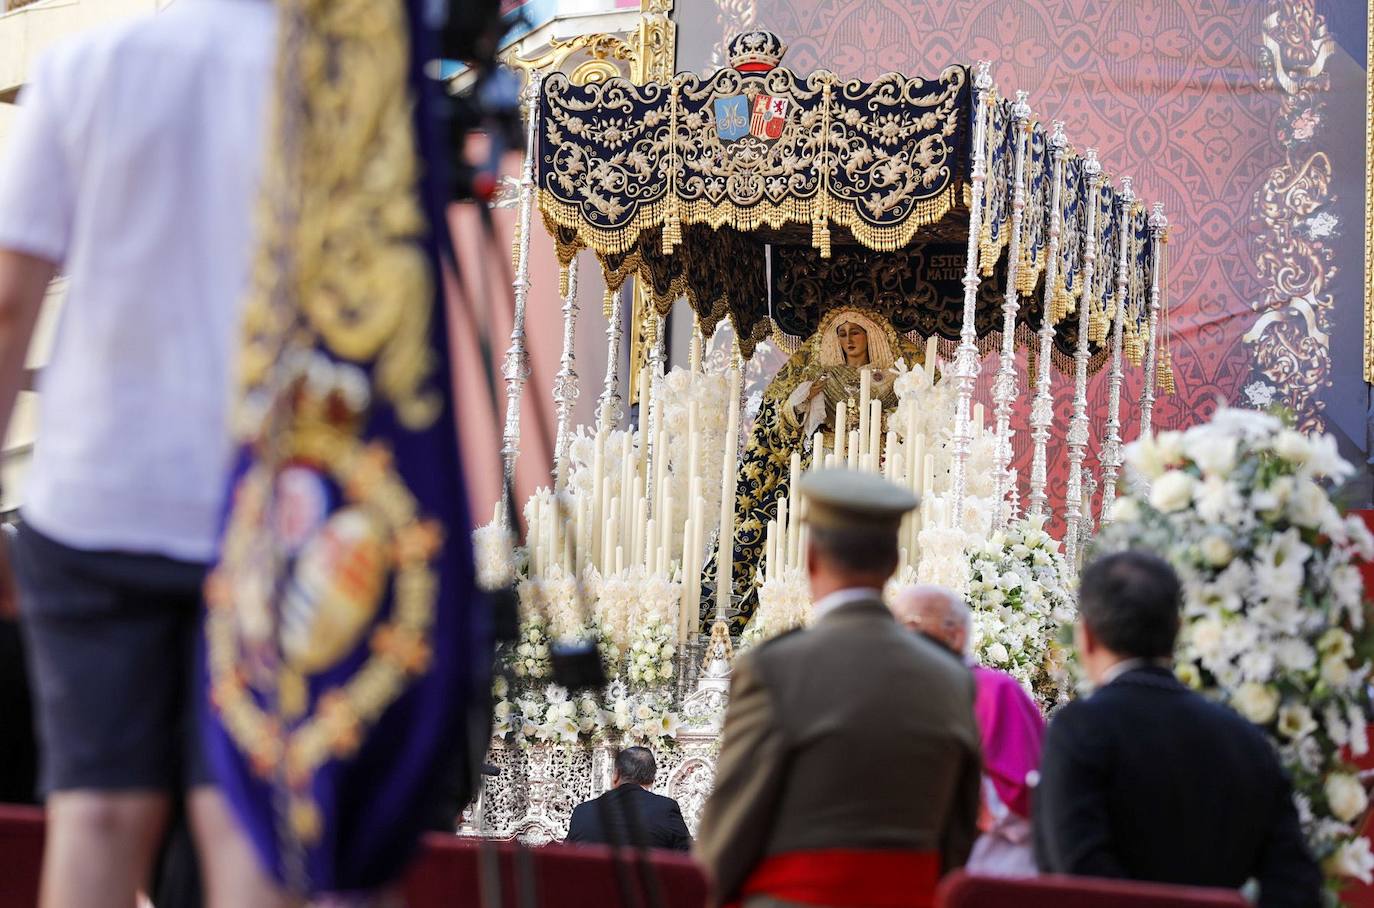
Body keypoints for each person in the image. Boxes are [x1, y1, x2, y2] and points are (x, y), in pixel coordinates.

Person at [0, 3, 294, 905]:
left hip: (95, 495)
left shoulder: (83, 67)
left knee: (94, 814)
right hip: (261, 505)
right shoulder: (329, 83)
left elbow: (10, 301)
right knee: (246, 818)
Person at [696, 469, 981, 908]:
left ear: (811, 559)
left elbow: (730, 829)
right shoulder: (951, 678)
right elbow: (960, 832)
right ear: (893, 565)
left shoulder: (776, 667)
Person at [1034, 550, 1321, 906]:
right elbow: (1296, 882)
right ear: (1177, 631)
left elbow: (1075, 872)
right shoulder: (1244, 738)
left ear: (1087, 637)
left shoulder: (1080, 728)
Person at [892, 584, 1044, 877]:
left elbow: (1019, 800)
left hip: (989, 867)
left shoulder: (994, 691)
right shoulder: (895, 692)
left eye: (910, 625)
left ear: (956, 635)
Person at [565, 746, 691, 851]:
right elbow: (687, 859)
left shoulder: (582, 811)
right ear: (652, 779)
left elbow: (567, 861)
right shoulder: (666, 809)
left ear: (616, 774)